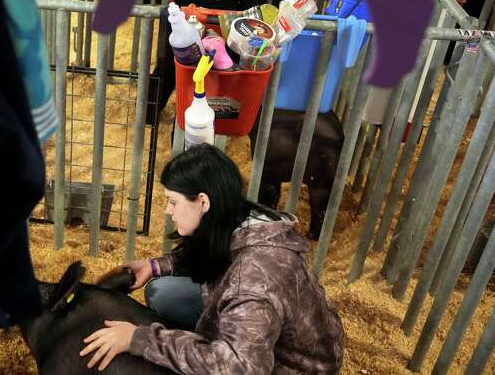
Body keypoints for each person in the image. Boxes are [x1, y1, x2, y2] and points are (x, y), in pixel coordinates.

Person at [79, 144, 345, 373]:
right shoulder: (239, 217)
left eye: (173, 202)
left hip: (291, 367)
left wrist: (139, 340)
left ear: (203, 202)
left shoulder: (252, 279)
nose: (169, 211)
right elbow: (214, 249)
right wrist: (154, 266)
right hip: (263, 334)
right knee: (163, 291)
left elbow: (239, 368)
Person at [147, 0, 265, 125]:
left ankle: (150, 113)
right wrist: (250, 6)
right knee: (215, 68)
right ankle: (194, 123)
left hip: (188, 6)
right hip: (218, 7)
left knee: (175, 63)